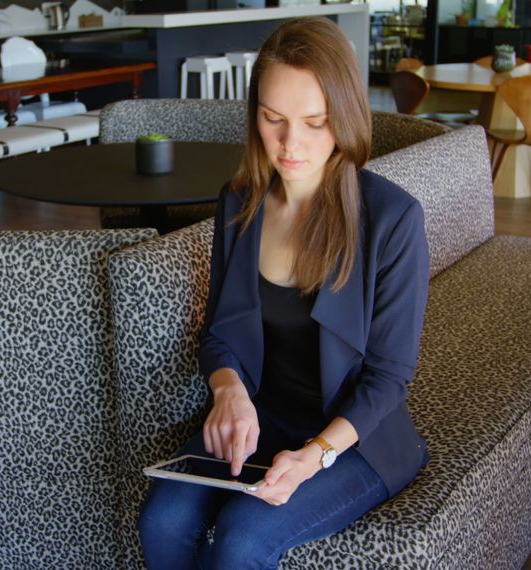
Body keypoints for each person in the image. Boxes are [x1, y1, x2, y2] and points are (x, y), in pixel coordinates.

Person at [138, 17, 430, 569]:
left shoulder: (393, 219)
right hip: (263, 419)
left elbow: (388, 377)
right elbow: (220, 333)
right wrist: (229, 393)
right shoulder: (241, 201)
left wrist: (315, 455)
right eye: (273, 119)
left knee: (243, 540)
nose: (290, 144)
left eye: (314, 123)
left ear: (343, 117)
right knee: (163, 520)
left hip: (352, 440)